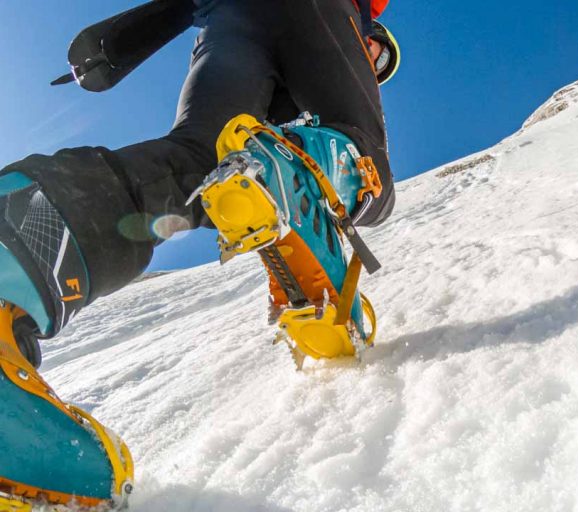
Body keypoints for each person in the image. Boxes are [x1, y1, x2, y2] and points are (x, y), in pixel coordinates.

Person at [0, 0, 396, 508]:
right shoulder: (349, 32)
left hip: (227, 17)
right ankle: (298, 193)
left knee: (198, 163)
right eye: (375, 56)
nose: (372, 65)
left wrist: (117, 43)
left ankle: (11, 257)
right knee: (368, 166)